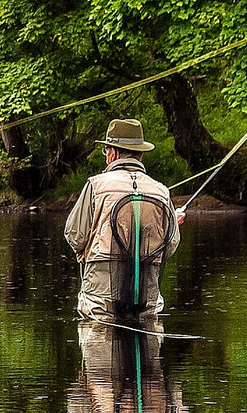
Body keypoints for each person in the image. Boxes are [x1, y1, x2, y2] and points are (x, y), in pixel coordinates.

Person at [64, 118, 181, 320]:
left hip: (100, 299)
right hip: (147, 300)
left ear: (114, 153)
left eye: (106, 150)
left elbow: (75, 236)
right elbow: (170, 245)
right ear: (140, 154)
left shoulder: (96, 186)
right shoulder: (161, 191)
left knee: (98, 342)